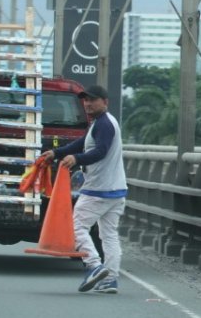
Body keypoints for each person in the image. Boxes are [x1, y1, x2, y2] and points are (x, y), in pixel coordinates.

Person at [41, 84, 127, 295]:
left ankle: (94, 265)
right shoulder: (100, 123)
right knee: (109, 235)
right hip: (116, 190)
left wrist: (76, 159)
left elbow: (100, 151)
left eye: (93, 100)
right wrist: (57, 152)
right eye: (86, 100)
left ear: (105, 102)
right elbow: (82, 143)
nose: (88, 104)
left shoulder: (104, 124)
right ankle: (111, 279)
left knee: (76, 226)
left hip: (99, 189)